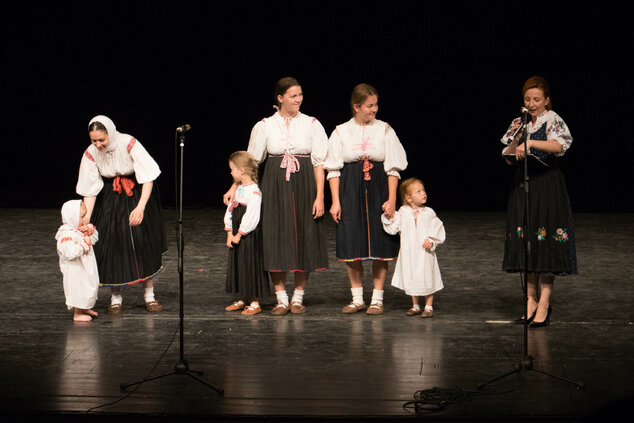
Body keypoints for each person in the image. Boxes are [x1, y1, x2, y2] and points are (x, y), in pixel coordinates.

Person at [224, 77, 329, 315]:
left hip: (304, 185)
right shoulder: (264, 126)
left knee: (305, 236)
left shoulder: (312, 124)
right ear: (280, 98)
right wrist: (234, 187)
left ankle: (298, 297)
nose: (298, 99)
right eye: (293, 96)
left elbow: (319, 163)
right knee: (274, 238)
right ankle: (281, 297)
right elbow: (249, 163)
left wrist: (320, 196)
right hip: (273, 183)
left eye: (300, 95)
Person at [500, 76, 577, 328]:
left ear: (546, 101)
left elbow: (558, 145)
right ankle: (530, 300)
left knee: (545, 243)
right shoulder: (519, 122)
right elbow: (508, 153)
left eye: (536, 99)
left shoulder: (552, 119)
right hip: (524, 185)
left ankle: (544, 302)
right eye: (527, 99)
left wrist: (530, 142)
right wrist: (518, 140)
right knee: (527, 242)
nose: (532, 104)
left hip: (547, 185)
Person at [325, 83, 407, 314]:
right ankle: (357, 298)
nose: (374, 110)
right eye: (369, 106)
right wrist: (336, 201)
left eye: (376, 105)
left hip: (378, 187)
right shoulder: (341, 131)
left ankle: (377, 299)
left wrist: (391, 200)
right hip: (349, 187)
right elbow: (333, 170)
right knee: (352, 242)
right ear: (356, 107)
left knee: (381, 243)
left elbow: (393, 168)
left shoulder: (385, 129)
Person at [76, 115, 167, 315]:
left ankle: (149, 295)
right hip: (110, 197)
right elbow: (89, 191)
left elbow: (148, 177)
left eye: (102, 140)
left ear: (111, 133)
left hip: (136, 193)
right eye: (94, 140)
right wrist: (85, 220)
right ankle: (115, 297)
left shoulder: (128, 143)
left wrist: (141, 207)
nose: (98, 144)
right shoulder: (90, 153)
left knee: (142, 244)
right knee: (113, 244)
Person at [381, 178, 445, 317]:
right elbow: (394, 227)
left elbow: (438, 228)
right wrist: (389, 216)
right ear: (408, 198)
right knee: (412, 276)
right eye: (418, 191)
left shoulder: (429, 212)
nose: (423, 193)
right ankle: (415, 305)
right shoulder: (403, 211)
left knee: (427, 276)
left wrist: (431, 240)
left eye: (423, 190)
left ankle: (428, 306)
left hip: (424, 253)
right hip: (410, 253)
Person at [223, 151, 270, 316]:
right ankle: (243, 297)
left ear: (242, 170)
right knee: (239, 265)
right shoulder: (240, 188)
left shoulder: (254, 191)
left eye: (232, 169)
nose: (231, 173)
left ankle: (255, 302)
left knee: (250, 266)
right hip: (236, 233)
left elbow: (252, 216)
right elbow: (231, 209)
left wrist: (240, 234)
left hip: (248, 236)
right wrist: (229, 231)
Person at [56, 199, 100, 321]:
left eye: (85, 216)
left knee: (88, 286)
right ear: (72, 218)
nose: (85, 219)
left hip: (86, 267)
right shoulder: (67, 234)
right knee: (79, 288)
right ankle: (77, 313)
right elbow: (69, 252)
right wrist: (84, 245)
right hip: (76, 269)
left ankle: (84, 308)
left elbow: (94, 239)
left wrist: (90, 232)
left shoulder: (79, 230)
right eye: (82, 217)